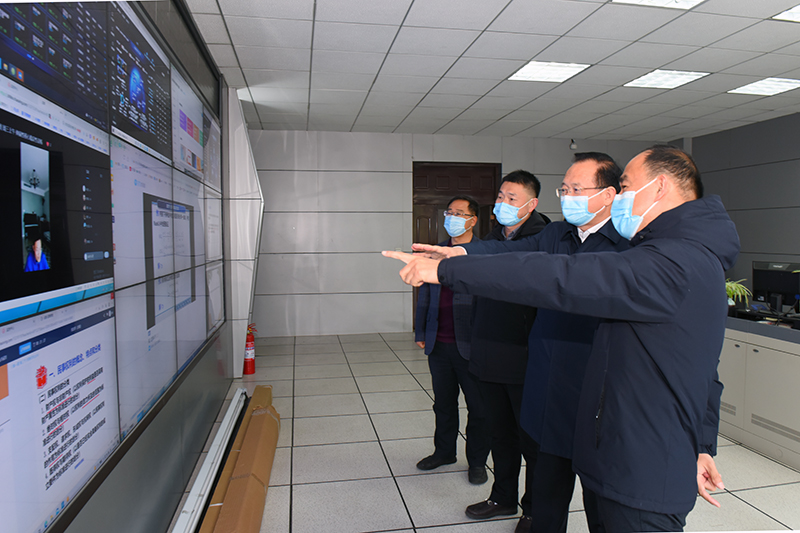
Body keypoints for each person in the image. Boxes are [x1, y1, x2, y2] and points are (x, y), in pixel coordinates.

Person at [386, 145, 736, 532]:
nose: (622, 196)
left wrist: (446, 273)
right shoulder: (678, 252)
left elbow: (559, 277)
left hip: (639, 463)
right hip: (609, 431)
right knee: (547, 487)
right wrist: (458, 256)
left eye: (625, 186)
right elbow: (701, 366)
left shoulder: (669, 261)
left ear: (659, 187)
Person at [459, 153, 630, 533]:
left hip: (594, 391)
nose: (567, 197)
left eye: (576, 189)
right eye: (563, 189)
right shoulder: (557, 235)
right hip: (548, 382)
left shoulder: (627, 245)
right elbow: (510, 254)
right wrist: (458, 254)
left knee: (600, 500)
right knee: (547, 486)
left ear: (607, 195)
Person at [464, 170, 549, 532]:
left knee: (532, 442)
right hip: (489, 353)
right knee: (500, 434)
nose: (502, 203)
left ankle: (534, 510)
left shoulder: (544, 239)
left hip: (526, 359)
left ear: (532, 204)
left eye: (512, 198)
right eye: (500, 196)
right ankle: (502, 498)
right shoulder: (492, 237)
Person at [414, 195, 490, 484]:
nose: (452, 217)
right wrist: (421, 331)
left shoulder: (483, 254)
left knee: (479, 409)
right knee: (443, 404)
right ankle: (444, 452)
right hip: (439, 343)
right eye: (449, 212)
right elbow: (425, 293)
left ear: (472, 220)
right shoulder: (435, 252)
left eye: (459, 213)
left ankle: (477, 462)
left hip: (473, 345)